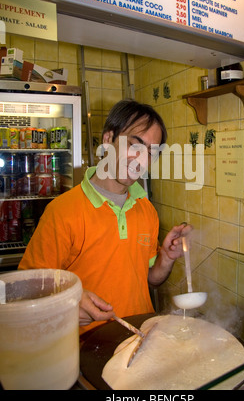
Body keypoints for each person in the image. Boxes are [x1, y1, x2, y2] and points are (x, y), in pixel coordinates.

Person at [18, 100, 191, 334]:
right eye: (135, 145)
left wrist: (167, 258)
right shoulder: (63, 211)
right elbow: (26, 286)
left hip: (138, 338)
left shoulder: (145, 209)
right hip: (84, 347)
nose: (142, 160)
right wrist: (67, 302)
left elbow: (150, 278)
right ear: (108, 140)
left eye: (152, 153)